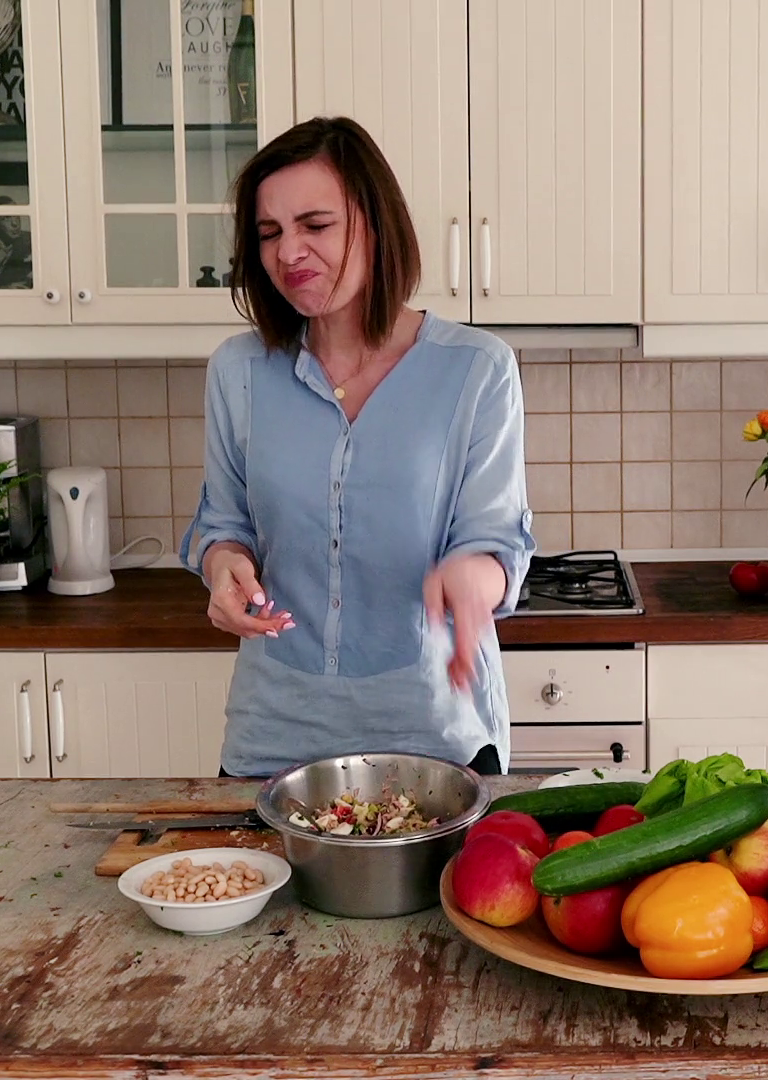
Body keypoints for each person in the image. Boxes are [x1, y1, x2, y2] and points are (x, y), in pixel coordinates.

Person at [180, 117, 535, 778]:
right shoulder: (238, 371)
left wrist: (471, 578)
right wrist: (223, 565)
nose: (289, 252)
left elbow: (496, 543)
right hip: (273, 737)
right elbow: (225, 524)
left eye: (315, 225)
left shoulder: (477, 369)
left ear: (374, 225)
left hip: (434, 738)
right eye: (269, 233)